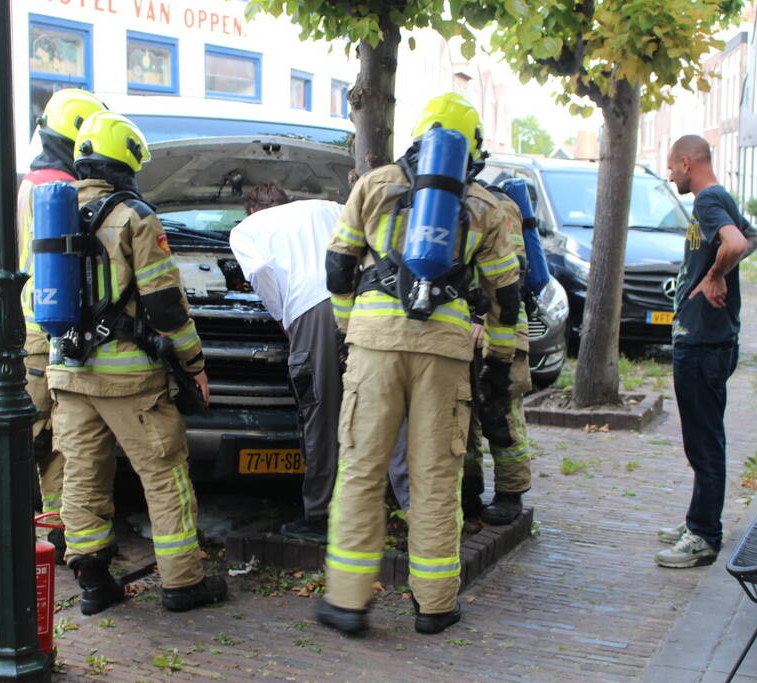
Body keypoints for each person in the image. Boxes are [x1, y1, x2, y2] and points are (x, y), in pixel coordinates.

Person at [317, 93, 521, 635]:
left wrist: (350, 330)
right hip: (445, 351)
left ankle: (347, 602)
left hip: (375, 345)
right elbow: (506, 294)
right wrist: (499, 360)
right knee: (435, 477)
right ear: (472, 149)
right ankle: (434, 605)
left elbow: (338, 270)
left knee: (361, 470)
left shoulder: (375, 185)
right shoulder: (486, 206)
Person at [48, 111, 227, 615]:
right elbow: (165, 302)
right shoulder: (134, 216)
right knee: (164, 473)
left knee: (82, 475)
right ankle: (182, 581)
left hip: (69, 370)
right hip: (128, 379)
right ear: (125, 157)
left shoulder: (55, 211)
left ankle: (92, 584)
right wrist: (193, 365)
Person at [0, 88, 107, 562]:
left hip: (30, 327)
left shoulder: (30, 180)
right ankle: (4, 530)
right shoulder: (58, 188)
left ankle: (40, 529)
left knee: (45, 435)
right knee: (41, 435)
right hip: (41, 332)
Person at [230, 184, 411, 543]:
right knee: (385, 405)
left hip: (312, 306)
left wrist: (286, 319)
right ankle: (417, 511)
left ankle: (320, 516)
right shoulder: (327, 205)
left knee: (322, 410)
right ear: (286, 200)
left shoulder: (245, 230)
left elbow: (264, 274)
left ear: (251, 210)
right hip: (368, 300)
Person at [656, 134, 748, 569]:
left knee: (704, 442)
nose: (670, 174)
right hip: (715, 338)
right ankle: (699, 520)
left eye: (672, 167)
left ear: (687, 162)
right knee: (704, 439)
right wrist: (724, 273)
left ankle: (704, 536)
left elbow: (739, 244)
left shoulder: (708, 202)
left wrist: (714, 276)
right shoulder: (720, 197)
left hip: (703, 341)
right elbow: (753, 236)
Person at [462, 184, 533, 525]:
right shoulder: (454, 198)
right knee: (463, 416)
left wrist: (480, 317)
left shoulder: (498, 206)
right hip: (463, 328)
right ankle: (469, 490)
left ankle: (510, 493)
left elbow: (511, 270)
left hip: (501, 326)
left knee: (501, 411)